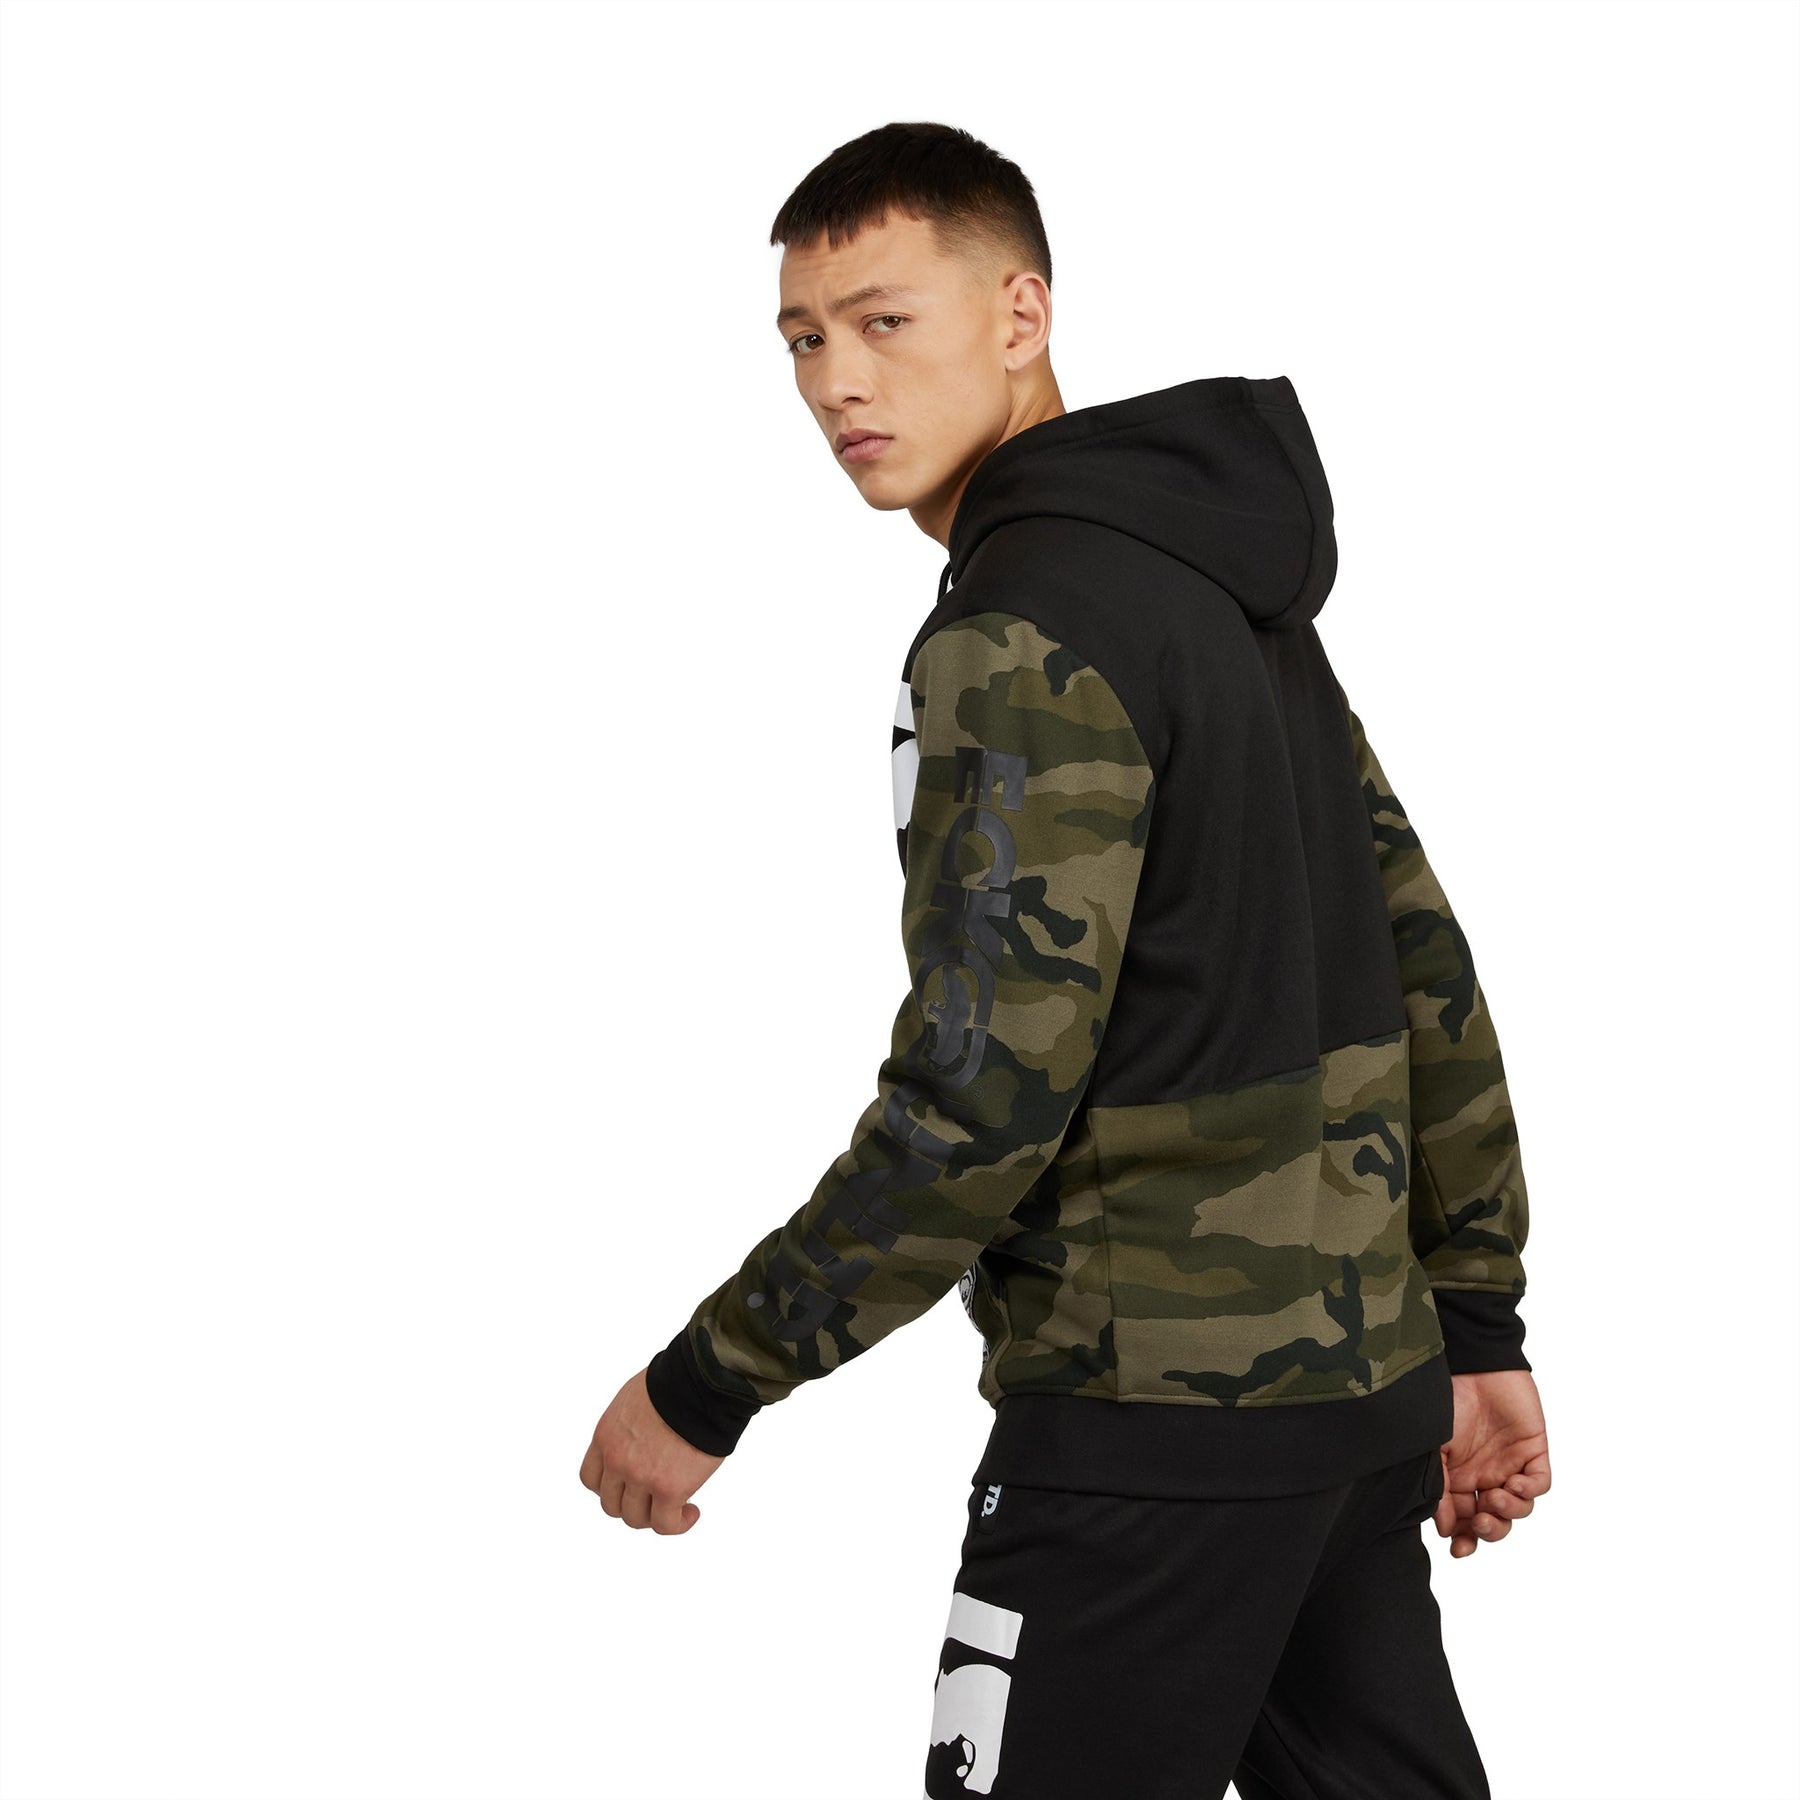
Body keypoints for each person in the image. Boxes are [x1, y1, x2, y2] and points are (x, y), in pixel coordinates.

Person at [577, 120, 1552, 1800]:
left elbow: (978, 1102)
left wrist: (708, 1381)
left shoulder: (1016, 632)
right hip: (1348, 1409)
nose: (835, 382)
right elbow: (1424, 967)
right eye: (802, 339)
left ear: (1020, 315)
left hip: (1147, 1435)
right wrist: (1473, 1319)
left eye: (885, 321)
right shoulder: (1220, 584)